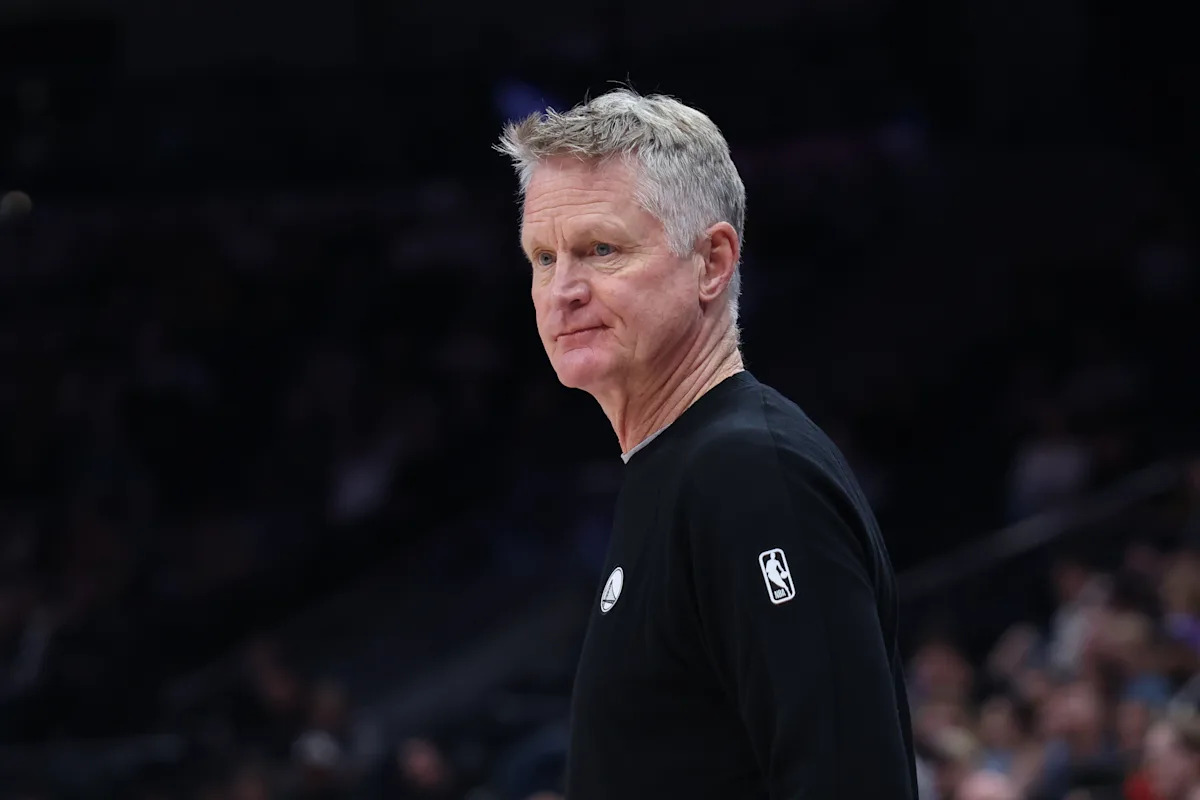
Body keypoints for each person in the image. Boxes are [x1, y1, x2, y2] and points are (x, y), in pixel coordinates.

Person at [496, 88, 917, 799]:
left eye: (600, 250)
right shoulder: (681, 464)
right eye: (542, 257)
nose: (561, 289)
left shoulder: (748, 473)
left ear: (713, 262)